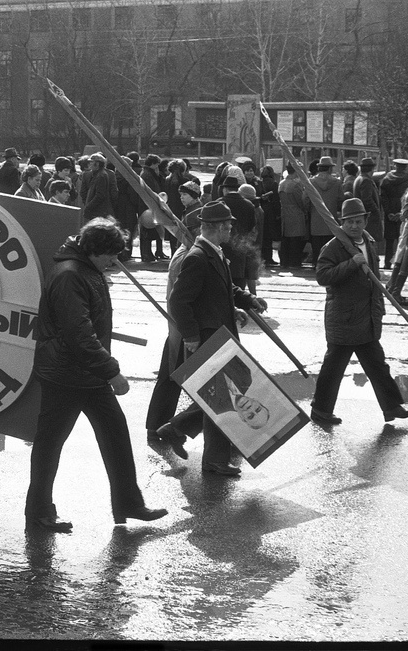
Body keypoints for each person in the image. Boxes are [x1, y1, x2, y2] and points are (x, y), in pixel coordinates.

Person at [25, 217, 168, 531]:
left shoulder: (84, 269)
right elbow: (79, 333)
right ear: (93, 250)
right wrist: (112, 372)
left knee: (115, 434)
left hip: (85, 373)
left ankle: (129, 503)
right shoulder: (70, 276)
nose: (114, 260)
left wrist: (102, 370)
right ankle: (38, 512)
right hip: (65, 374)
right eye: (110, 255)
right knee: (50, 445)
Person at [158, 202, 267, 475]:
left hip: (219, 335)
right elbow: (179, 301)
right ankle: (212, 458)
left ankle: (178, 429)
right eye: (228, 226)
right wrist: (192, 337)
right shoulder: (196, 257)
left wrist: (246, 299)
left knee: (220, 397)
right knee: (220, 399)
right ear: (217, 227)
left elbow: (222, 286)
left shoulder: (213, 253)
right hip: (208, 338)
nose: (231, 230)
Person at [309, 198, 408, 426]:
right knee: (333, 369)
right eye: (349, 222)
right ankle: (321, 411)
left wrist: (380, 309)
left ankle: (392, 407)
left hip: (367, 319)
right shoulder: (335, 246)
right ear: (341, 223)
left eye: (358, 221)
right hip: (344, 319)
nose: (354, 226)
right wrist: (352, 263)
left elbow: (373, 282)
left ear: (365, 220)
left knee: (378, 365)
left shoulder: (369, 241)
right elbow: (323, 276)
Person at [145, 203, 204, 438]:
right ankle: (165, 427)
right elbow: (182, 299)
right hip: (185, 329)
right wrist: (190, 333)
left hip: (181, 328)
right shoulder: (188, 255)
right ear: (196, 230)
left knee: (170, 378)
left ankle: (158, 426)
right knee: (184, 379)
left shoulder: (189, 251)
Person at [198, 355, 270, 429]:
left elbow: (191, 381)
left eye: (250, 416)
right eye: (257, 409)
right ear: (257, 401)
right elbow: (230, 349)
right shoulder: (246, 379)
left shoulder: (215, 407)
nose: (250, 408)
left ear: (242, 418)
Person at [379, 158, 408, 269]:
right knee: (402, 239)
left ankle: (387, 263)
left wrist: (389, 213)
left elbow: (383, 198)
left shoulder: (386, 179)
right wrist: (401, 213)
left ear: (395, 166)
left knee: (389, 240)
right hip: (403, 213)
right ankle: (401, 264)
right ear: (405, 167)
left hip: (389, 214)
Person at [309, 157, 342, 267]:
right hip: (331, 220)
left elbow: (305, 200)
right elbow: (341, 200)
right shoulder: (337, 183)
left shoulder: (311, 182)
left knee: (316, 245)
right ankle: (328, 265)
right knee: (329, 246)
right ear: (329, 169)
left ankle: (316, 264)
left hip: (315, 219)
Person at [385, 185, 408, 305]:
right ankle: (395, 290)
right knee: (405, 259)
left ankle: (392, 286)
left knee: (401, 258)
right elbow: (407, 213)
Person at [81, 152, 117, 220]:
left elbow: (100, 195)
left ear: (97, 164)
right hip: (98, 211)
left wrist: (88, 206)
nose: (89, 164)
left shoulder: (101, 176)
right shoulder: (97, 174)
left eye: (91, 162)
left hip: (99, 212)